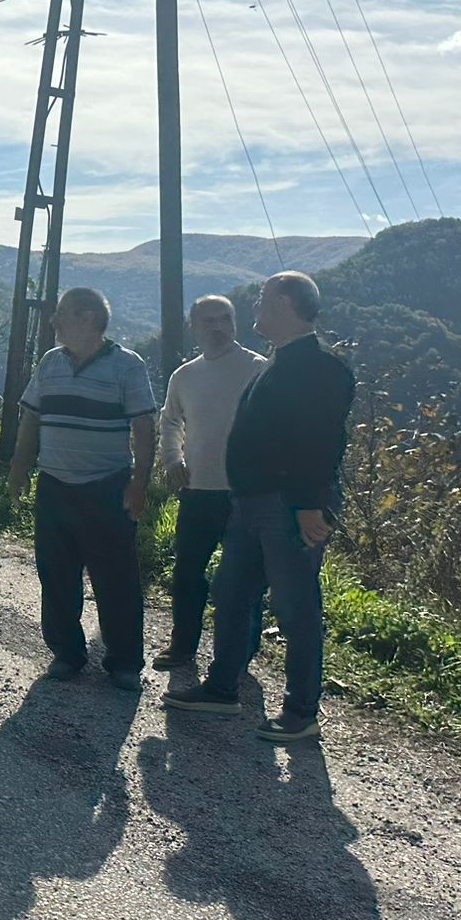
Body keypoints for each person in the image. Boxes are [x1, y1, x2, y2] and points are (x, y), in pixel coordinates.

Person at [165, 272, 356, 743]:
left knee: (295, 607)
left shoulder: (320, 368)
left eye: (262, 300)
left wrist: (309, 505)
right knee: (231, 593)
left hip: (288, 507)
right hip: (250, 504)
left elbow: (322, 442)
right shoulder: (276, 362)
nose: (254, 308)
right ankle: (222, 689)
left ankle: (301, 712)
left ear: (286, 304)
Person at [7, 287, 158, 688]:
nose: (53, 320)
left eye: (62, 313)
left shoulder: (127, 365)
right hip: (54, 485)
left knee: (116, 579)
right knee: (56, 575)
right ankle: (66, 654)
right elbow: (31, 417)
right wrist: (19, 466)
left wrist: (139, 484)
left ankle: (124, 663)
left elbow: (144, 428)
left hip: (106, 487)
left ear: (87, 317)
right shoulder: (51, 362)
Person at [153, 294, 267, 670]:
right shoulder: (184, 375)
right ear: (194, 327)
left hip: (245, 494)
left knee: (242, 581)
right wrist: (173, 459)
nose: (218, 327)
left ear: (235, 323)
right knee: (187, 572)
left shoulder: (258, 369)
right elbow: (170, 421)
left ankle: (242, 655)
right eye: (209, 320)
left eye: (225, 319)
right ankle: (182, 646)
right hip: (197, 489)